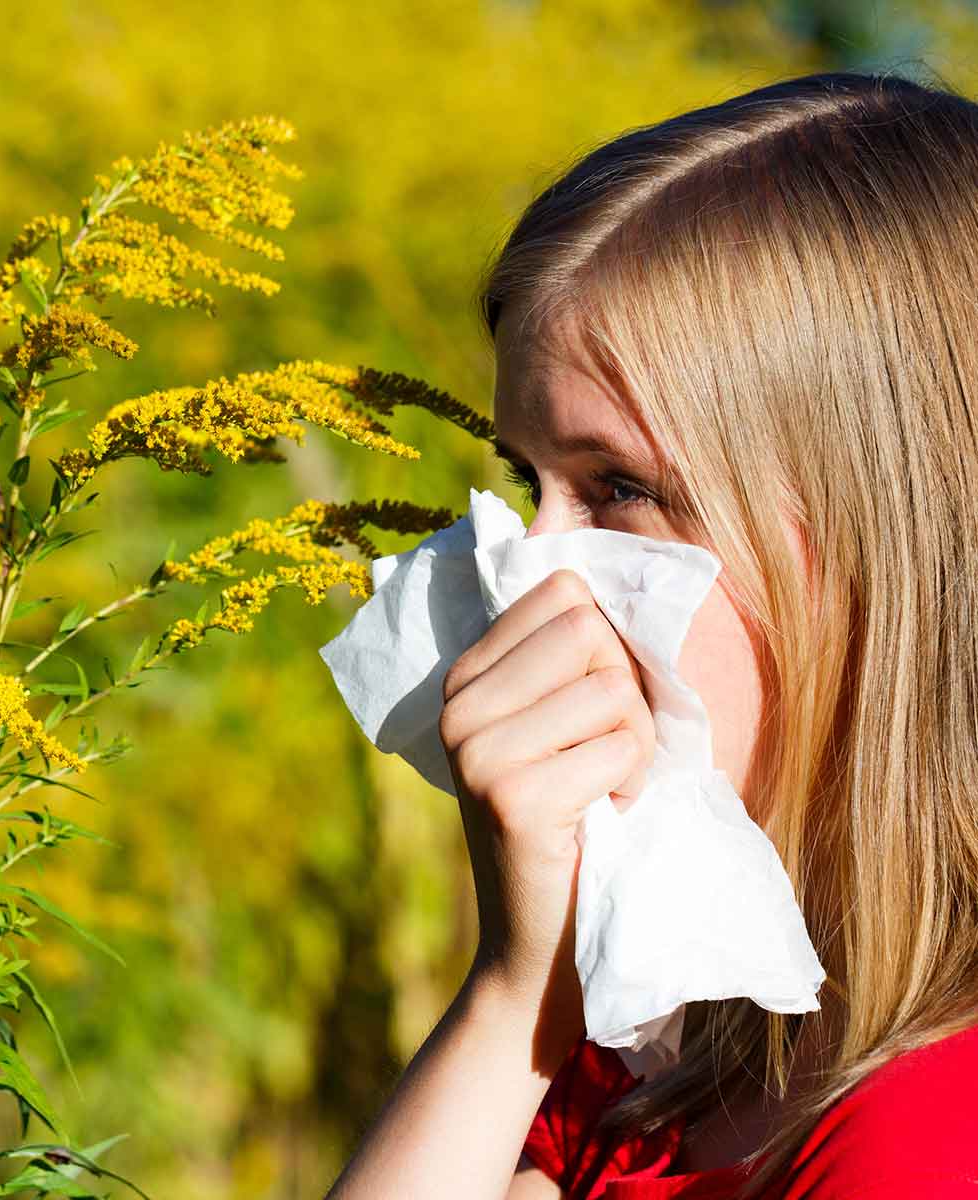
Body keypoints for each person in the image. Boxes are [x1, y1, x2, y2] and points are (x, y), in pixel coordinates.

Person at [322, 69, 978, 1199]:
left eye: (616, 488)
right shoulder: (674, 1045)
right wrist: (519, 990)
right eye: (525, 481)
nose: (529, 572)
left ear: (877, 541)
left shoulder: (926, 1134)